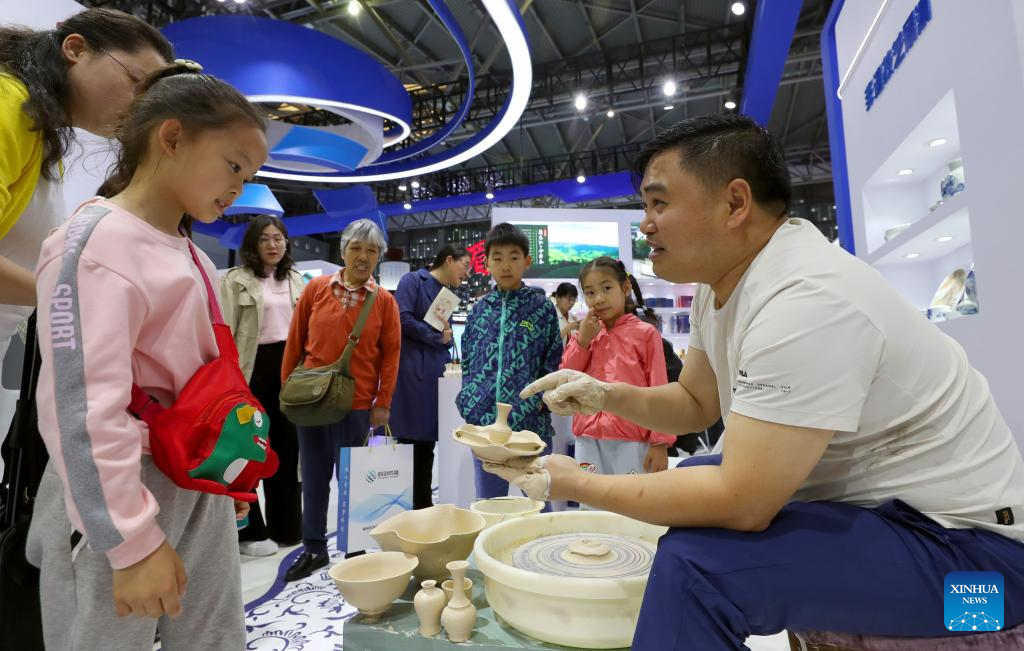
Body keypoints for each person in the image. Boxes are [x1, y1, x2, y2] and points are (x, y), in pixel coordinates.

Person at [488, 114, 1024, 649]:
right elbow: (696, 401)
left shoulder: (807, 299)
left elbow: (741, 501)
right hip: (896, 526)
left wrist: (574, 484)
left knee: (695, 569)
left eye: (659, 204)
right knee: (694, 479)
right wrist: (605, 394)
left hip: (982, 576)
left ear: (735, 203)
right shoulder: (721, 284)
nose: (645, 224)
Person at [25, 65, 268, 650]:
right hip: (119, 485)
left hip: (195, 476)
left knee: (215, 637)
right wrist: (129, 541)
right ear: (173, 137)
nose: (239, 187)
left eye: (250, 175)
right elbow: (81, 409)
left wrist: (227, 473)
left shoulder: (193, 255)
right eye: (234, 165)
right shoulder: (94, 243)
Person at [0, 8, 172, 361]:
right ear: (76, 49)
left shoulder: (42, 133)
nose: (138, 110)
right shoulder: (10, 104)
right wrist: (70, 296)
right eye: (135, 83)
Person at [281, 219, 401, 582]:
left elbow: (391, 355)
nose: (363, 257)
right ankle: (313, 547)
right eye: (356, 248)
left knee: (354, 482)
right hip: (311, 401)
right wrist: (287, 388)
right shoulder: (316, 289)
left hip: (357, 406)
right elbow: (295, 341)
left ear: (378, 257)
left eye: (371, 251)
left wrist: (383, 402)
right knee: (313, 478)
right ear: (343, 251)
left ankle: (355, 550)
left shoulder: (384, 301)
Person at [456, 223, 562, 500]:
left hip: (531, 428)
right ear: (487, 263)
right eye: (498, 258)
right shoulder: (479, 311)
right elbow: (468, 361)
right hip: (486, 429)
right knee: (490, 503)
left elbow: (553, 358)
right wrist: (469, 402)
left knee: (539, 502)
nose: (505, 266)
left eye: (514, 257)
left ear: (527, 261)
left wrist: (538, 403)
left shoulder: (542, 308)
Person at [221, 215, 306, 555]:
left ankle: (288, 528)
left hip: (291, 371)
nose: (272, 244)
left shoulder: (297, 280)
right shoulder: (236, 280)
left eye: (278, 238)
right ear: (253, 244)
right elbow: (225, 331)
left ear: (286, 243)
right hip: (251, 370)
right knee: (250, 451)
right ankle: (252, 532)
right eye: (264, 239)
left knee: (288, 451)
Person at [563, 257, 673, 482]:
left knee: (632, 498)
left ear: (625, 287)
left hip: (632, 437)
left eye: (607, 288)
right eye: (590, 292)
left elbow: (659, 387)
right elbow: (566, 377)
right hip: (587, 435)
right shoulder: (585, 334)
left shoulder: (645, 333)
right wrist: (583, 341)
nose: (599, 299)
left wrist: (660, 441)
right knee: (590, 496)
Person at [391, 244, 470, 510]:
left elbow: (440, 334)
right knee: (413, 444)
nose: (467, 274)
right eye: (465, 265)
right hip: (413, 373)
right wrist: (437, 337)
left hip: (436, 374)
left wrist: (445, 340)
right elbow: (401, 318)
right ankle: (415, 508)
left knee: (427, 447)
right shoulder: (413, 280)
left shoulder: (445, 294)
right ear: (449, 260)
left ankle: (422, 506)